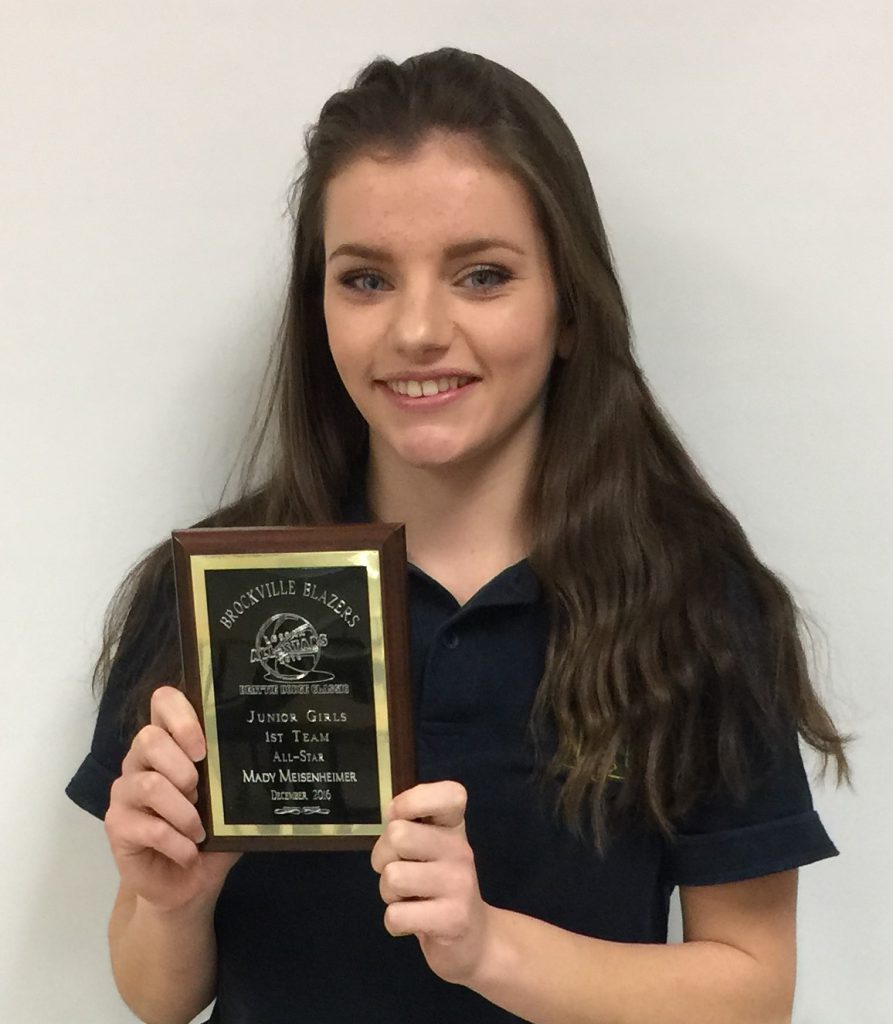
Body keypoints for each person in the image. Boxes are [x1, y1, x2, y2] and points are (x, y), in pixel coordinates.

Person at [66, 47, 848, 1024]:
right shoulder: (218, 598)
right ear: (319, 311)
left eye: (481, 274)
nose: (416, 330)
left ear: (568, 309)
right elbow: (156, 993)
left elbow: (749, 990)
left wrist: (489, 948)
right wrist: (166, 901)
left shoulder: (688, 603)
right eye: (365, 279)